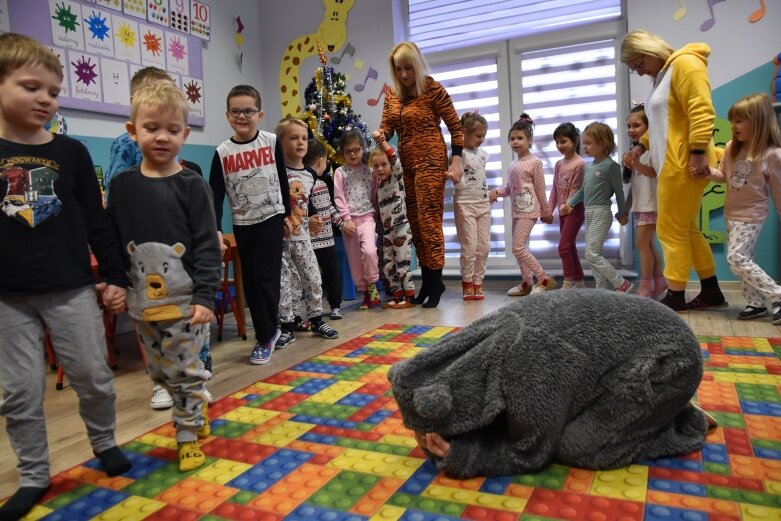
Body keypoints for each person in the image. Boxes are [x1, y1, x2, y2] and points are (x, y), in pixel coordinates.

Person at [0, 33, 131, 519]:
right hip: (8, 296)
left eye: (53, 92)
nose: (44, 99)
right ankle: (34, 473)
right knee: (19, 391)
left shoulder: (71, 152)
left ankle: (104, 441)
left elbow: (97, 220)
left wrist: (114, 274)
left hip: (72, 286)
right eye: (31, 87)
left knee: (94, 376)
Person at [389, 290, 710, 478]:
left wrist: (463, 456)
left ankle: (678, 419)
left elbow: (532, 452)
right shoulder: (485, 341)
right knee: (561, 404)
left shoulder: (524, 367)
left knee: (580, 446)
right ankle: (655, 406)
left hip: (668, 361)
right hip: (633, 344)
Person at [107, 81, 220, 472]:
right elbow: (114, 240)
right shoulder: (121, 187)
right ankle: (194, 413)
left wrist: (206, 296)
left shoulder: (192, 184)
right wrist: (115, 284)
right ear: (132, 130)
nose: (162, 137)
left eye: (173, 130)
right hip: (143, 304)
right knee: (158, 371)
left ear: (185, 135)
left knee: (185, 371)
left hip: (186, 304)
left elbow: (207, 243)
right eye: (152, 127)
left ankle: (187, 435)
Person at [620, 29, 726, 312]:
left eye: (639, 65)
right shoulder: (662, 77)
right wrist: (640, 148)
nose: (640, 73)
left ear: (649, 50)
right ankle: (712, 290)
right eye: (634, 70)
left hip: (683, 163)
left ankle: (676, 294)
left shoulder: (685, 64)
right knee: (687, 229)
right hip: (673, 162)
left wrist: (699, 153)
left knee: (669, 231)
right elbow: (658, 126)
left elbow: (702, 111)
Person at [377, 41, 464, 308]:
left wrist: (457, 160)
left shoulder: (433, 89)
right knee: (414, 224)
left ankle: (435, 280)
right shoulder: (393, 94)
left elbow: (455, 127)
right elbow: (387, 126)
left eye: (408, 68)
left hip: (431, 163)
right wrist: (382, 136)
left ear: (417, 65)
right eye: (398, 69)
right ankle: (429, 280)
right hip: (406, 165)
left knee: (428, 223)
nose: (404, 74)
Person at [209, 85, 290, 364]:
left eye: (248, 111)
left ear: (260, 114)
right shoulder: (221, 152)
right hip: (243, 224)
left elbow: (281, 178)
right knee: (253, 282)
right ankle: (272, 329)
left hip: (271, 217)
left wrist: (289, 215)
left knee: (267, 279)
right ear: (228, 115)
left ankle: (265, 336)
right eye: (236, 111)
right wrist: (217, 230)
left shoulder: (270, 141)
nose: (242, 116)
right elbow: (215, 195)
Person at [703, 93, 781, 324]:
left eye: (740, 120)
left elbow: (778, 190)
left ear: (758, 122)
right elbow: (724, 177)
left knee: (736, 258)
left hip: (752, 215)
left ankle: (776, 294)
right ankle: (755, 303)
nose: (733, 126)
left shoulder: (773, 154)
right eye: (732, 120)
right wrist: (708, 172)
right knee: (745, 257)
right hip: (731, 213)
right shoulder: (731, 148)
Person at [275, 117, 339, 349]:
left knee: (313, 277)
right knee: (284, 283)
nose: (300, 142)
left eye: (304, 138)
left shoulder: (311, 175)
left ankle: (316, 319)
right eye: (293, 138)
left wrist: (312, 218)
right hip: (280, 238)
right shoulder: (276, 170)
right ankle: (287, 326)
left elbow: (306, 202)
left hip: (302, 238)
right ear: (281, 143)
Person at [489, 115, 555, 296]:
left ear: (529, 140)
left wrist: (546, 212)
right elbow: (510, 189)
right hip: (517, 211)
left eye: (520, 138)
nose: (515, 142)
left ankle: (543, 279)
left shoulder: (535, 162)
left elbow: (541, 190)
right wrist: (496, 192)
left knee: (517, 248)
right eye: (512, 139)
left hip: (530, 210)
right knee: (518, 249)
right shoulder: (513, 164)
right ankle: (526, 282)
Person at [561, 122, 631, 292]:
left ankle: (621, 283)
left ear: (603, 144)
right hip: (589, 212)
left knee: (591, 253)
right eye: (584, 143)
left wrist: (623, 212)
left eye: (589, 143)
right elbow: (584, 190)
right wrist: (570, 203)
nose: (584, 147)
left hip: (601, 212)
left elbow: (619, 192)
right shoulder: (590, 166)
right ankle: (601, 290)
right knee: (593, 254)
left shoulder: (611, 166)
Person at [333, 129, 381, 310]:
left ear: (362, 148)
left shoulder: (370, 170)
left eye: (356, 149)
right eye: (348, 151)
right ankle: (366, 294)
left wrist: (376, 212)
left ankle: (372, 285)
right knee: (354, 259)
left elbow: (375, 192)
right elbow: (339, 197)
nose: (352, 154)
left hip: (368, 218)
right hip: (350, 222)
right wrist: (346, 220)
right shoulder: (340, 172)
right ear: (342, 152)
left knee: (369, 251)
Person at [624, 105, 667, 299]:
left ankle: (646, 284)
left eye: (636, 125)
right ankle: (659, 280)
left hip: (651, 204)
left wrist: (636, 164)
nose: (631, 130)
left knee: (642, 243)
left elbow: (653, 173)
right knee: (648, 244)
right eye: (629, 126)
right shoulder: (635, 150)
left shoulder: (651, 150)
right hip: (642, 205)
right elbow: (634, 183)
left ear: (648, 127)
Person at [370, 132, 416, 309]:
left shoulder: (397, 179)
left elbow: (395, 161)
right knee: (388, 265)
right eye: (376, 166)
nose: (380, 169)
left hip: (401, 227)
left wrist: (382, 142)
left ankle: (410, 297)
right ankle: (396, 296)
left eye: (383, 165)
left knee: (402, 264)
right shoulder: (379, 185)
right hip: (387, 230)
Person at [303, 139, 344, 319]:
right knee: (312, 278)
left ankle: (335, 306)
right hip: (310, 242)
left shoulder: (322, 185)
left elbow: (329, 208)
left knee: (331, 273)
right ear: (321, 161)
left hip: (327, 241)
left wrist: (341, 223)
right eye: (326, 159)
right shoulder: (303, 185)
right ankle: (315, 310)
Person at [453, 111, 490, 300]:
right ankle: (467, 282)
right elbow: (457, 178)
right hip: (464, 204)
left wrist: (491, 194)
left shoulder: (483, 155)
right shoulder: (458, 154)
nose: (482, 139)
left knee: (484, 246)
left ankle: (478, 282)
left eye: (484, 136)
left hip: (483, 205)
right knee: (470, 246)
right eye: (478, 136)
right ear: (464, 133)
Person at [549, 122, 586, 290]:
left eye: (563, 141)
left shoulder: (580, 164)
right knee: (570, 247)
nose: (559, 146)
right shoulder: (559, 164)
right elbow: (555, 189)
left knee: (563, 247)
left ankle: (568, 282)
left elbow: (576, 188)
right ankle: (579, 282)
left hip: (574, 211)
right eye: (557, 142)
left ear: (575, 140)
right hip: (562, 212)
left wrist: (568, 206)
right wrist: (549, 209)